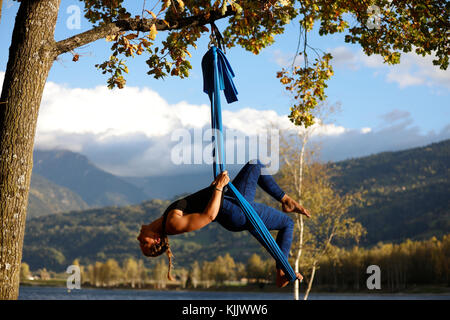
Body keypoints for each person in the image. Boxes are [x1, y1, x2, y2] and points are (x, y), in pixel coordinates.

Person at [137, 160, 311, 288]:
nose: (139, 239)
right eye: (144, 242)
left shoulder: (166, 220)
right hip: (233, 210)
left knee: (256, 170)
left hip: (230, 205)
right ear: (156, 239)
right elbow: (209, 216)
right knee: (285, 220)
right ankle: (282, 271)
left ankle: (282, 268)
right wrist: (219, 187)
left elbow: (202, 205)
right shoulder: (172, 223)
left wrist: (217, 189)